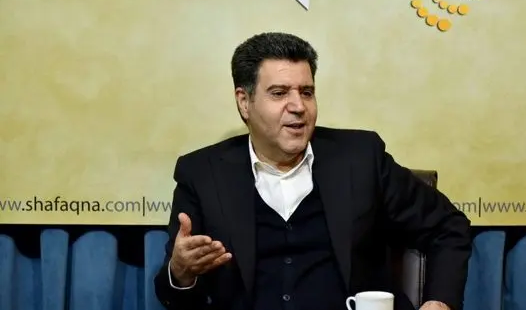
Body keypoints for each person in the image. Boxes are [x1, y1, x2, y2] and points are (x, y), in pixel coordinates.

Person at [154, 32, 472, 310]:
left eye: (306, 92)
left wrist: (439, 303)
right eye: (279, 93)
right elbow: (175, 296)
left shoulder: (361, 158)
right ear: (244, 102)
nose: (298, 106)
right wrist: (180, 274)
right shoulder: (202, 174)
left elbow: (448, 226)